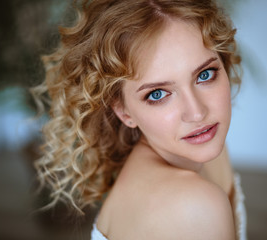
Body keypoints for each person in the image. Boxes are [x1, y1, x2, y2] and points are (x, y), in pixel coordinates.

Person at [33, 0, 247, 239]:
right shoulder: (192, 205)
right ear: (124, 112)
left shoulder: (206, 142)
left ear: (224, 63)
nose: (197, 113)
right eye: (157, 94)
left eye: (204, 75)